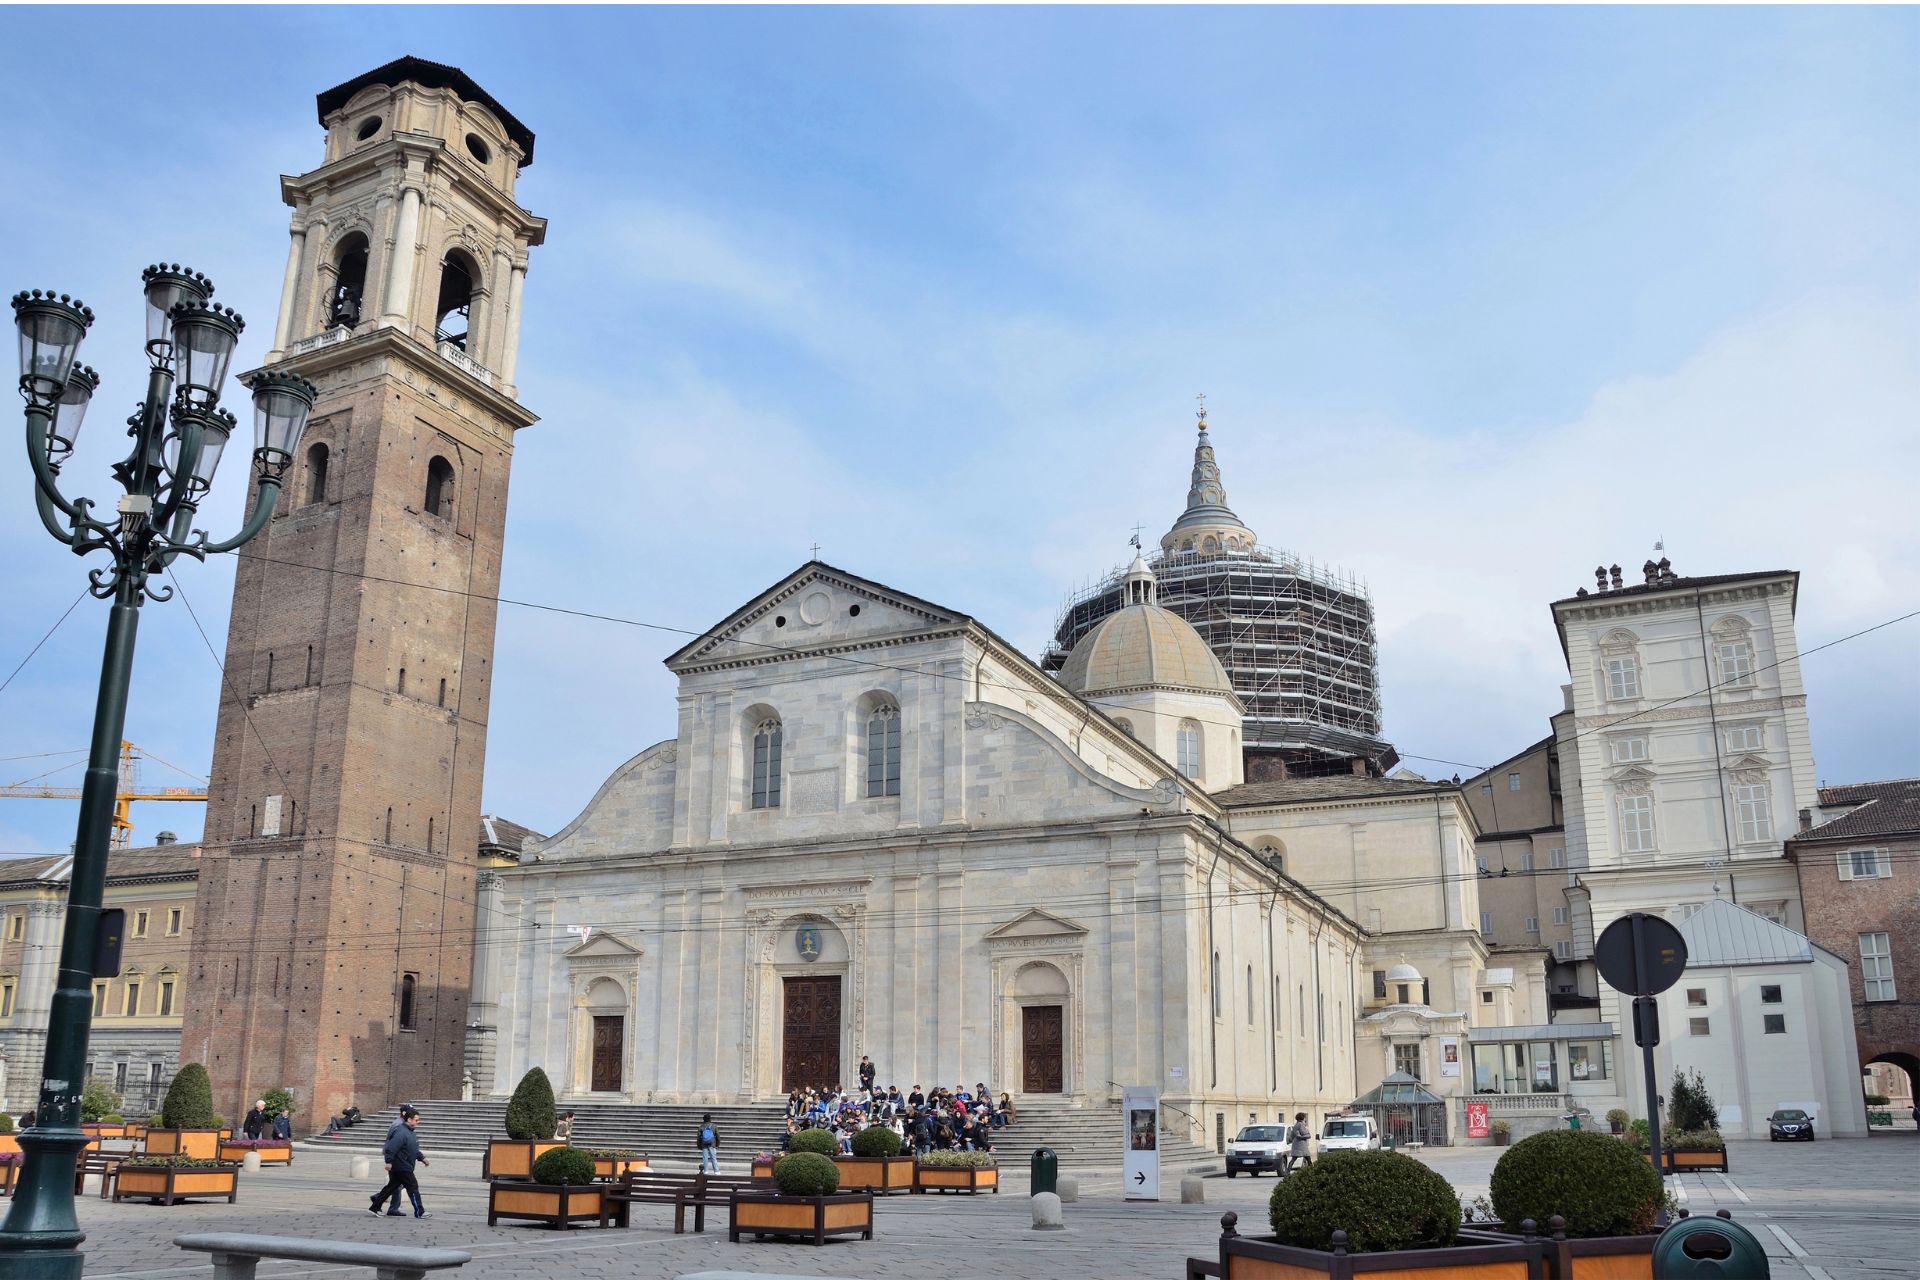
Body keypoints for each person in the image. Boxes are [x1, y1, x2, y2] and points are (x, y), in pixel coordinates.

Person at [369, 1106, 430, 1218]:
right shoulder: (401, 1132)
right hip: (402, 1166)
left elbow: (412, 1148)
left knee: (391, 1187)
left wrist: (422, 1158)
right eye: (416, 1120)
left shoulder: (410, 1132)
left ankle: (375, 1206)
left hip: (402, 1165)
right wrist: (388, 1161)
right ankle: (420, 1212)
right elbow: (391, 1147)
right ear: (409, 1119)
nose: (418, 1122)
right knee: (413, 1187)